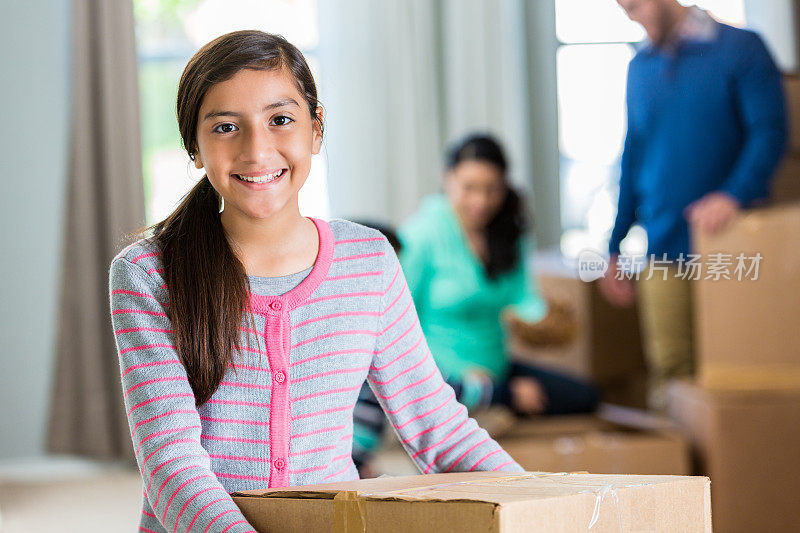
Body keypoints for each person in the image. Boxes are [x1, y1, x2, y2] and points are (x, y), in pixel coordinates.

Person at [109, 31, 524, 533]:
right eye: (225, 127)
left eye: (280, 120)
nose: (257, 150)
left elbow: (439, 428)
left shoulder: (368, 260)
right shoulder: (147, 275)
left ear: (316, 130)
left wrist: (540, 507)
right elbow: (172, 469)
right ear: (194, 147)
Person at [352, 134, 599, 474]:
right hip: (443, 374)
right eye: (470, 188)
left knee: (583, 396)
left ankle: (495, 401)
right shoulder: (423, 235)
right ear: (448, 179)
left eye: (491, 188)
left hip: (496, 367)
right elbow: (400, 327)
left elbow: (523, 298)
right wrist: (489, 388)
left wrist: (538, 320)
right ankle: (493, 401)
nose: (481, 201)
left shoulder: (509, 228)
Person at [600, 0, 788, 411]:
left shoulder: (740, 49)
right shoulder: (641, 68)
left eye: (635, 6)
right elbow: (634, 158)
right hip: (664, 251)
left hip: (734, 247)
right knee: (671, 379)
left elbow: (770, 132)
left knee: (741, 375)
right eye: (624, 10)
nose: (633, 17)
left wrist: (732, 195)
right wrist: (614, 246)